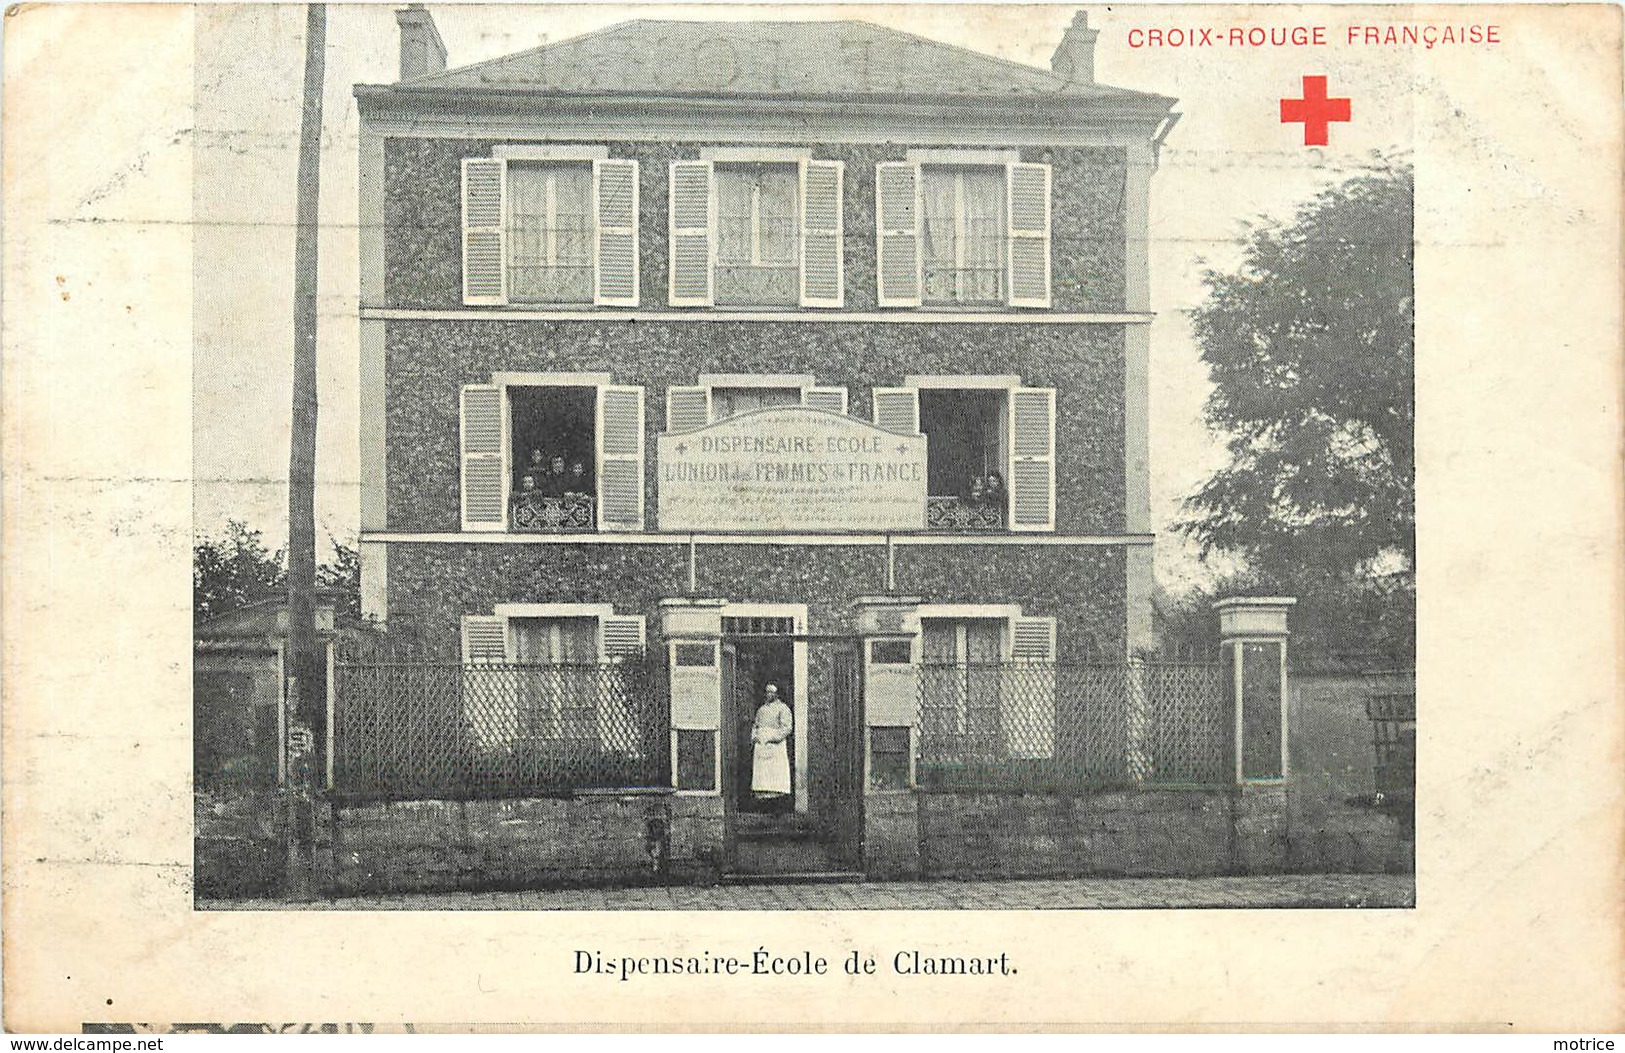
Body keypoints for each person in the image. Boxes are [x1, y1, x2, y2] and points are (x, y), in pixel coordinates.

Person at [750, 683, 793, 801]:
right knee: (762, 773)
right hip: (761, 744)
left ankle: (777, 798)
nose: (769, 694)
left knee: (775, 772)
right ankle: (761, 795)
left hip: (775, 745)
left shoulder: (783, 708)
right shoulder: (761, 710)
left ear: (777, 694)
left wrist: (773, 738)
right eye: (767, 692)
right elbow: (756, 725)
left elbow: (787, 727)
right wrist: (755, 736)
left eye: (772, 692)